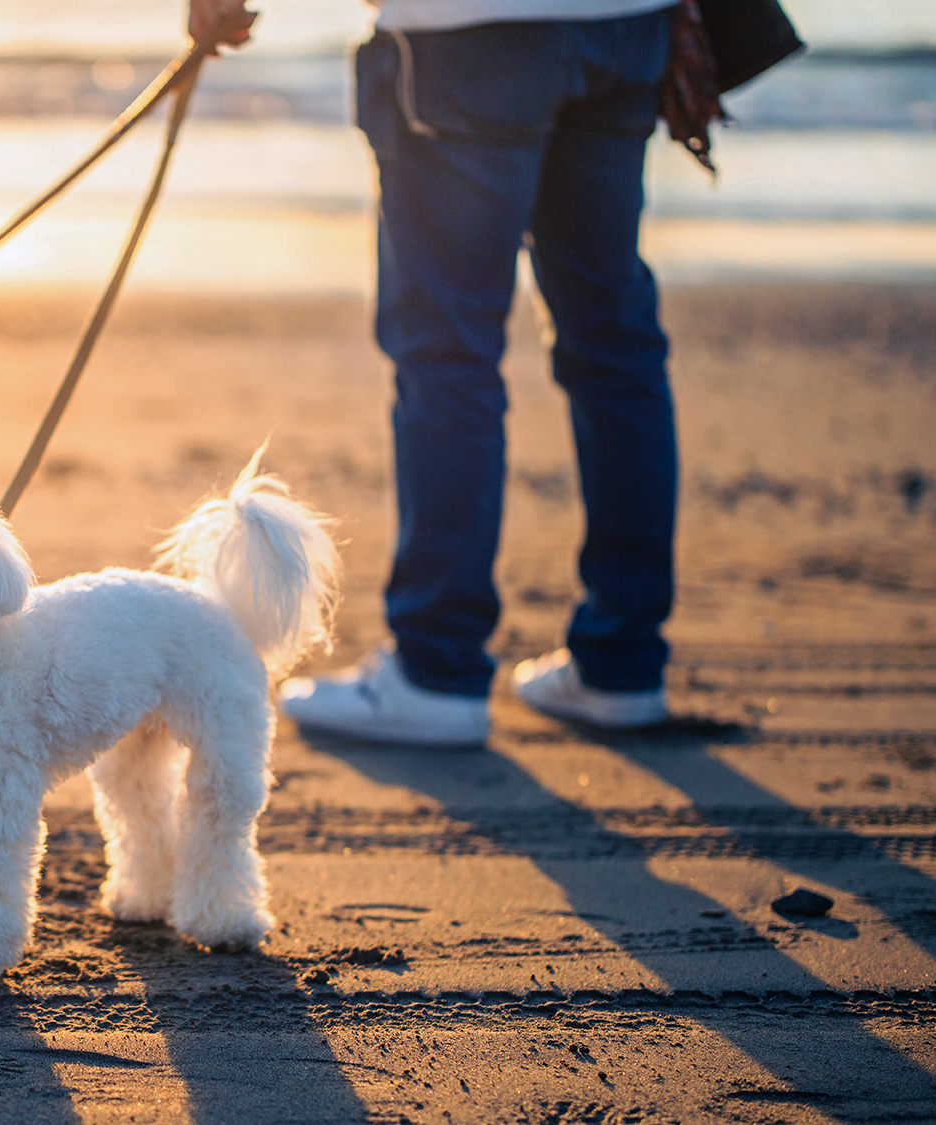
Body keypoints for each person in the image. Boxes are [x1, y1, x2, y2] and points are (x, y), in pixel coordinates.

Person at [188, 0, 681, 744]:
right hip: (626, 19)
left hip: (467, 33)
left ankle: (438, 667)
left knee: (450, 355)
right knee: (613, 343)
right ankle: (622, 663)